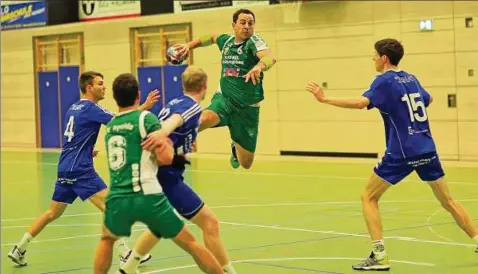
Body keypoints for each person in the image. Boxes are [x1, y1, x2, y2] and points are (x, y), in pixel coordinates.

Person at [306, 38, 478, 271]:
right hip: (427, 147)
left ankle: (379, 255)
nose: (373, 59)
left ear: (384, 58)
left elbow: (360, 103)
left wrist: (325, 99)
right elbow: (428, 99)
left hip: (402, 152)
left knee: (368, 197)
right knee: (447, 201)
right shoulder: (412, 78)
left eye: (375, 55)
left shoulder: (383, 81)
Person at [7, 71, 159, 266]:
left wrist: (88, 149)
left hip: (65, 167)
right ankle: (125, 253)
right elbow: (119, 121)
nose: (104, 87)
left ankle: (19, 248)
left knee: (52, 213)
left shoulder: (73, 107)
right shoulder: (90, 108)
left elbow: (75, 136)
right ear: (89, 87)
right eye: (100, 84)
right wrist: (144, 107)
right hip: (81, 170)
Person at [94, 72, 224, 274]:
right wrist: (176, 150)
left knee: (106, 239)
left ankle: (127, 267)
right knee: (191, 243)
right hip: (147, 194)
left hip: (119, 195)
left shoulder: (111, 126)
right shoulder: (146, 118)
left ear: (114, 96)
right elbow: (164, 158)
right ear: (138, 95)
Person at [141, 66, 236, 273]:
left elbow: (177, 128)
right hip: (168, 177)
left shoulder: (174, 101)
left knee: (160, 226)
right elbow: (173, 123)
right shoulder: (192, 107)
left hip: (161, 174)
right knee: (209, 223)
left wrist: (183, 143)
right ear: (204, 87)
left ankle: (129, 265)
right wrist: (161, 133)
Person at [174, 8, 277, 169]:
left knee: (246, 163)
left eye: (250, 23)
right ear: (234, 25)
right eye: (242, 22)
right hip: (224, 100)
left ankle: (235, 147)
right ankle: (172, 148)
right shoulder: (227, 42)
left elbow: (270, 57)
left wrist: (259, 67)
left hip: (247, 109)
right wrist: (188, 45)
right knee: (200, 121)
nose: (247, 26)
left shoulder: (253, 42)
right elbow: (211, 37)